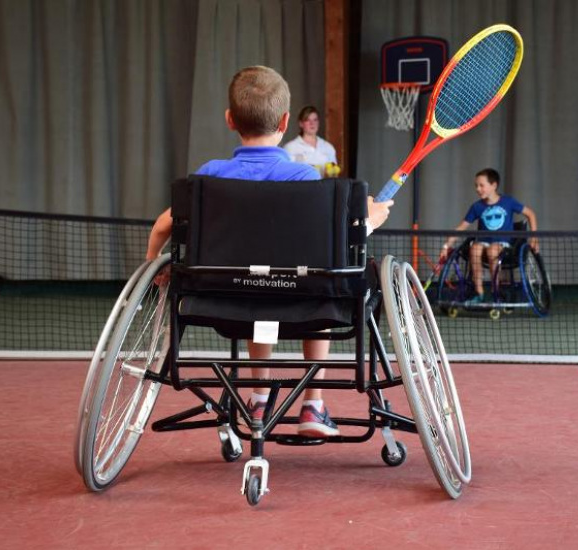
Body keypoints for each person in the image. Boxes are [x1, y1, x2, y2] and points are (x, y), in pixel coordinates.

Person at [145, 66, 393, 437]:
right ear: (284, 121)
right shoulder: (304, 179)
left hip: (226, 301)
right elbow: (334, 246)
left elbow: (164, 225)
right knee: (318, 278)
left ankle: (258, 397)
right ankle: (313, 405)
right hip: (304, 304)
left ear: (230, 120)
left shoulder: (208, 178)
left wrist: (154, 268)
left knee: (255, 282)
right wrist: (370, 218)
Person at [441, 168, 538, 304]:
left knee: (493, 250)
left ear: (493, 185)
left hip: (503, 245)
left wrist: (534, 237)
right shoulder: (476, 207)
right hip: (483, 242)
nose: (478, 189)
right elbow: (462, 227)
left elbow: (531, 214)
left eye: (481, 185)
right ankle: (479, 292)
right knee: (474, 249)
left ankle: (496, 290)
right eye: (476, 186)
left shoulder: (508, 202)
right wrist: (446, 246)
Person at [283, 106, 338, 176]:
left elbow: (334, 175)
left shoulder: (328, 147)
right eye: (307, 120)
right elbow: (287, 175)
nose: (312, 123)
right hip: (302, 187)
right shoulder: (290, 148)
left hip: (325, 186)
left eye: (315, 120)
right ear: (301, 123)